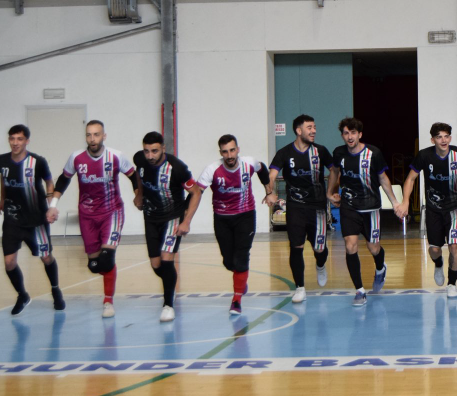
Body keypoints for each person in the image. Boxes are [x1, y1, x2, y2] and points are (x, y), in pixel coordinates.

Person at [46, 120, 138, 318]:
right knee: (94, 265)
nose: (92, 139)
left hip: (112, 212)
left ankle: (108, 301)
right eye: (89, 135)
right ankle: (107, 272)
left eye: (96, 134)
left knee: (107, 259)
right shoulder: (76, 158)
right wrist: (53, 205)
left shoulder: (116, 156)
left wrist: (138, 195)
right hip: (87, 215)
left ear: (104, 136)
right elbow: (63, 179)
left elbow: (134, 176)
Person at [396, 122, 457, 298]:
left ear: (450, 138)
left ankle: (452, 284)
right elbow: (410, 179)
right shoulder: (424, 156)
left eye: (446, 136)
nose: (443, 140)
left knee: (454, 245)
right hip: (433, 210)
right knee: (434, 249)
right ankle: (438, 264)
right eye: (439, 137)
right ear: (433, 140)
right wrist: (405, 202)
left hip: (454, 208)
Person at [197, 134, 275, 315]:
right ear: (220, 153)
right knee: (228, 261)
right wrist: (185, 216)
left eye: (232, 150)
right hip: (222, 218)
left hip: (245, 216)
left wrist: (269, 191)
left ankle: (236, 300)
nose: (230, 155)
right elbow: (196, 193)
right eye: (225, 152)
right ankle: (241, 277)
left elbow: (262, 169)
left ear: (238, 149)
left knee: (241, 256)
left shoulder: (249, 163)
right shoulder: (212, 170)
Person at [327, 117, 400, 306]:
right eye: (346, 133)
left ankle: (380, 267)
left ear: (360, 134)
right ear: (342, 135)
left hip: (371, 208)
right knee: (350, 246)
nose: (350, 137)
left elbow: (383, 178)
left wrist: (394, 202)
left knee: (373, 248)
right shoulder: (339, 153)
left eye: (353, 133)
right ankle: (359, 290)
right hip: (349, 206)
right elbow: (334, 172)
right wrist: (330, 192)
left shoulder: (373, 153)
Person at [133, 131, 202, 322]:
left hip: (172, 218)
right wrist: (139, 194)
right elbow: (138, 175)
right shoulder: (140, 159)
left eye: (154, 151)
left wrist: (186, 221)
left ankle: (168, 304)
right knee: (156, 265)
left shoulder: (178, 168)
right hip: (150, 218)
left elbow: (196, 192)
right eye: (147, 151)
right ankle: (170, 286)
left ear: (163, 148)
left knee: (166, 259)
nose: (150, 156)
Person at [267, 114, 335, 303]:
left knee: (320, 249)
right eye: (309, 127)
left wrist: (331, 191)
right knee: (296, 247)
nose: (313, 131)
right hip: (295, 207)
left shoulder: (320, 151)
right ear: (298, 131)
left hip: (318, 207)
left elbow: (334, 170)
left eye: (314, 127)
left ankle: (320, 265)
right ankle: (300, 288)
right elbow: (271, 175)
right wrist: (270, 192)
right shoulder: (284, 153)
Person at [0, 124, 65, 315]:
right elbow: (2, 181)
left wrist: (51, 205)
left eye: (19, 139)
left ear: (27, 141)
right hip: (12, 219)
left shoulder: (38, 162)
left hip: (36, 220)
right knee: (9, 262)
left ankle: (55, 290)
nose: (15, 143)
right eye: (12, 139)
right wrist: (2, 199)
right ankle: (22, 295)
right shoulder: (2, 160)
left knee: (46, 257)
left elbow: (49, 181)